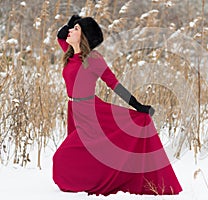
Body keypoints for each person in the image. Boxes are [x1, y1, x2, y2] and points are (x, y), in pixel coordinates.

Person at [52, 15, 182, 196]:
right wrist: (74, 23)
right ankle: (88, 182)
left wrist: (137, 106)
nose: (70, 31)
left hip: (91, 113)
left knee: (62, 156)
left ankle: (93, 183)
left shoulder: (93, 59)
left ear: (84, 38)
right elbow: (60, 35)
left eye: (76, 30)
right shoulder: (69, 52)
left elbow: (114, 84)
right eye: (72, 28)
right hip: (74, 111)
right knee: (85, 154)